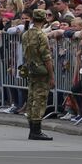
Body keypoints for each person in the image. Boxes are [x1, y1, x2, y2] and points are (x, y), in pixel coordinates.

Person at [21, 8, 54, 139]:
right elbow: (47, 58)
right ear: (44, 19)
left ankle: (32, 128)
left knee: (31, 97)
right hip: (41, 70)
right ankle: (36, 131)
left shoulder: (26, 34)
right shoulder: (41, 35)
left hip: (31, 68)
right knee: (39, 99)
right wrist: (51, 76)